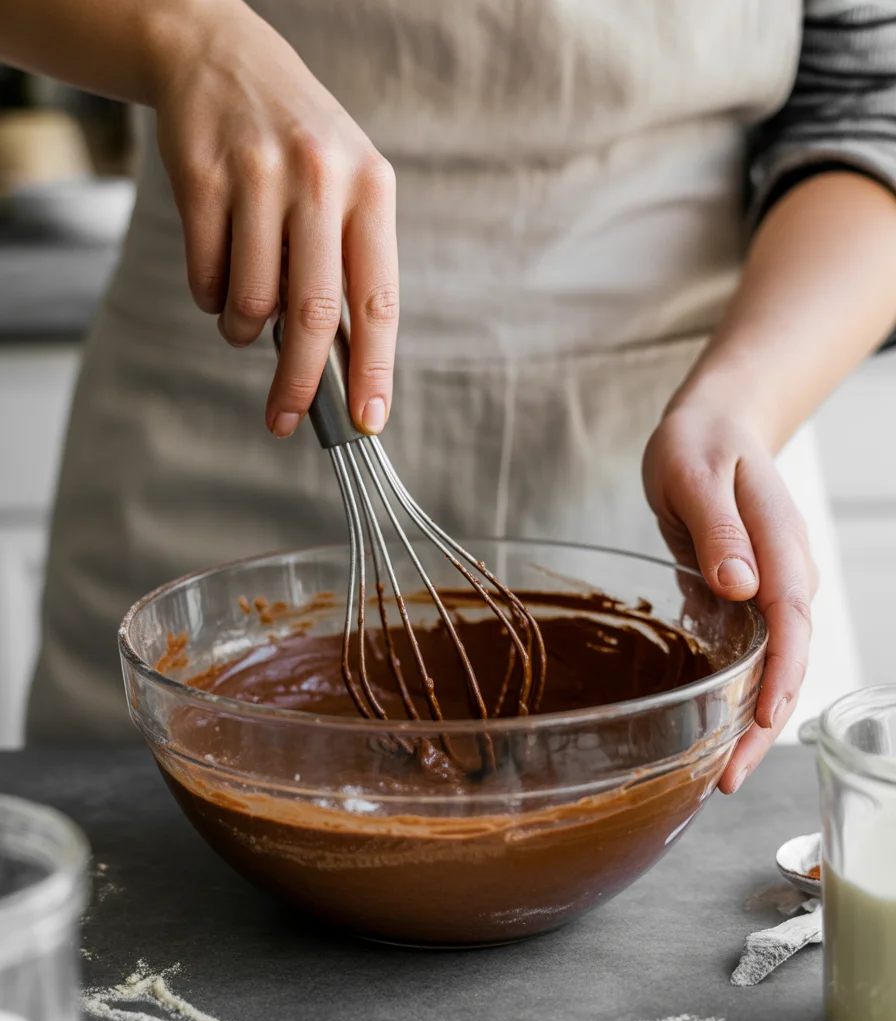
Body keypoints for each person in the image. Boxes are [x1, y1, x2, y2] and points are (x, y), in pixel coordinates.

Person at [5, 2, 895, 792]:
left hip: (674, 452)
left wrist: (736, 408)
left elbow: (869, 108)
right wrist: (188, 35)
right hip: (213, 432)